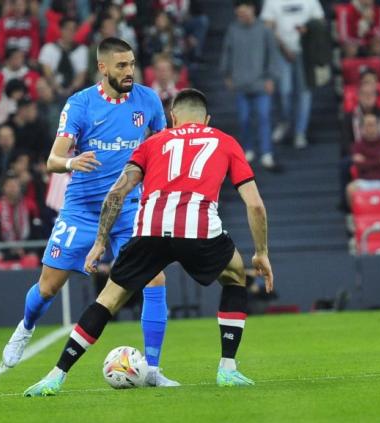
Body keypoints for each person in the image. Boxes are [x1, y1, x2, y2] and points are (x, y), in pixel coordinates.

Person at [22, 88, 274, 396]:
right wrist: (260, 253)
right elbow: (256, 205)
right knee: (235, 276)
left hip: (150, 229)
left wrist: (101, 242)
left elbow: (116, 193)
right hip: (199, 229)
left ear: (172, 118)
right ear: (207, 120)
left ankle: (56, 375)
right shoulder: (224, 141)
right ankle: (227, 369)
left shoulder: (153, 142)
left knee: (109, 299)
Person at [1, 37, 178, 387]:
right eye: (122, 65)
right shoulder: (80, 105)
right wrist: (71, 162)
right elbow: (52, 161)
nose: (130, 71)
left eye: (132, 64)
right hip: (81, 209)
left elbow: (163, 147)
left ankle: (154, 370)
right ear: (103, 67)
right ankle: (26, 326)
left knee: (155, 278)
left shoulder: (148, 100)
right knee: (48, 287)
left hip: (128, 207)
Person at [221, 0, 278, 170]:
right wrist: (227, 74)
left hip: (261, 83)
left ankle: (267, 152)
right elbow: (227, 52)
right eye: (239, 9)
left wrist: (271, 78)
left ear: (253, 9)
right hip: (241, 84)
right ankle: (248, 148)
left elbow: (272, 55)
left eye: (245, 8)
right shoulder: (232, 29)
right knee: (244, 119)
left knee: (264, 117)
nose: (242, 12)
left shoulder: (264, 30)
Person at [261, 0, 324, 149]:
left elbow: (320, 21)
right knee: (284, 91)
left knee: (304, 92)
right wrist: (283, 47)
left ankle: (300, 132)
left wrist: (308, 28)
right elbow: (267, 27)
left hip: (306, 52)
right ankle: (284, 121)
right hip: (281, 52)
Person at [0, 173, 42, 262]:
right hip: (3, 248)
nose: (13, 189)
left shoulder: (30, 206)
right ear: (3, 188)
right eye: (9, 186)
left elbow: (36, 232)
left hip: (26, 248)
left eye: (15, 185)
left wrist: (25, 248)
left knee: (32, 259)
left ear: (20, 187)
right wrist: (9, 249)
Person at [39, 17, 89, 98]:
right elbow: (47, 72)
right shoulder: (48, 48)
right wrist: (58, 88)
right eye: (68, 29)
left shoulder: (82, 49)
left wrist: (71, 89)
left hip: (74, 88)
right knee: (42, 84)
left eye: (73, 30)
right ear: (61, 30)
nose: (71, 32)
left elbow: (81, 74)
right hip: (53, 86)